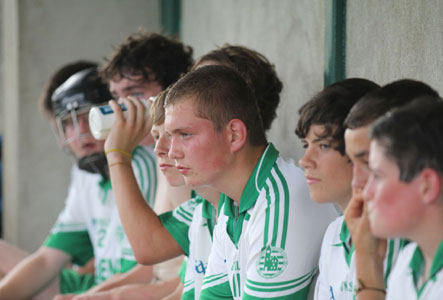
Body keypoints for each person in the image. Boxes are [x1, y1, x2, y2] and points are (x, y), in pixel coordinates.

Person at [104, 45, 286, 300]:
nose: (166, 148)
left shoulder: (274, 200)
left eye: (207, 87)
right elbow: (183, 288)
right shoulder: (213, 207)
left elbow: (149, 249)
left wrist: (118, 156)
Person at [159, 65, 338, 299]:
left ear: (234, 134)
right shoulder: (231, 202)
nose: (172, 152)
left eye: (185, 135)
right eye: (171, 137)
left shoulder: (282, 198)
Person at [0, 66, 157, 300]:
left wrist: (91, 296)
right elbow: (47, 260)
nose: (81, 133)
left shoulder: (147, 161)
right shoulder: (84, 174)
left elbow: (156, 268)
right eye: (71, 123)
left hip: (127, 291)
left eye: (89, 118)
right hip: (96, 287)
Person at [345, 97, 443, 299]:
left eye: (377, 175)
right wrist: (368, 259)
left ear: (427, 186)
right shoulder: (409, 262)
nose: (366, 192)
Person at [295, 78, 386, 299]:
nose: (304, 161)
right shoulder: (334, 233)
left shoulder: (398, 239)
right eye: (307, 145)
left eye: (323, 145)